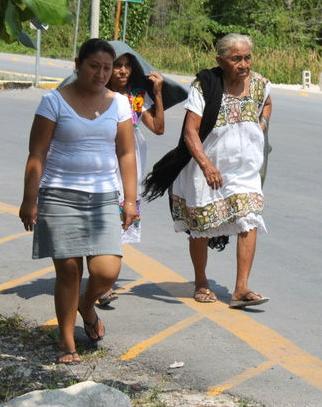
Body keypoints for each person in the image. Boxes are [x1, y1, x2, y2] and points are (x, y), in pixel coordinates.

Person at [19, 38, 137, 364]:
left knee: (107, 271)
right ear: (77, 64)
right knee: (69, 270)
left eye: (107, 68)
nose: (101, 74)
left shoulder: (120, 104)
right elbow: (37, 153)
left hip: (102, 197)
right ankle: (67, 341)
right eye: (93, 66)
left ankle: (87, 304)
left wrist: (130, 201)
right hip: (59, 194)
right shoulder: (53, 101)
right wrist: (30, 199)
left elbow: (126, 153)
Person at [144, 33, 272, 308]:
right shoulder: (205, 86)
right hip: (206, 171)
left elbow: (269, 103)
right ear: (220, 60)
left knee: (249, 218)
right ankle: (201, 281)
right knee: (201, 226)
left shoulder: (261, 84)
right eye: (236, 58)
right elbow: (190, 131)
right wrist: (206, 165)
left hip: (244, 171)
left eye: (247, 57)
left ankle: (240, 288)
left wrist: (262, 121)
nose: (243, 64)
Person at [96, 46, 165, 306]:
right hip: (103, 158)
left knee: (121, 216)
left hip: (130, 160)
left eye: (127, 65)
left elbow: (158, 128)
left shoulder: (136, 97)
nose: (122, 70)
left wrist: (157, 94)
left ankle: (106, 283)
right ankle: (102, 281)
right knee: (102, 215)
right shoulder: (98, 95)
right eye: (117, 65)